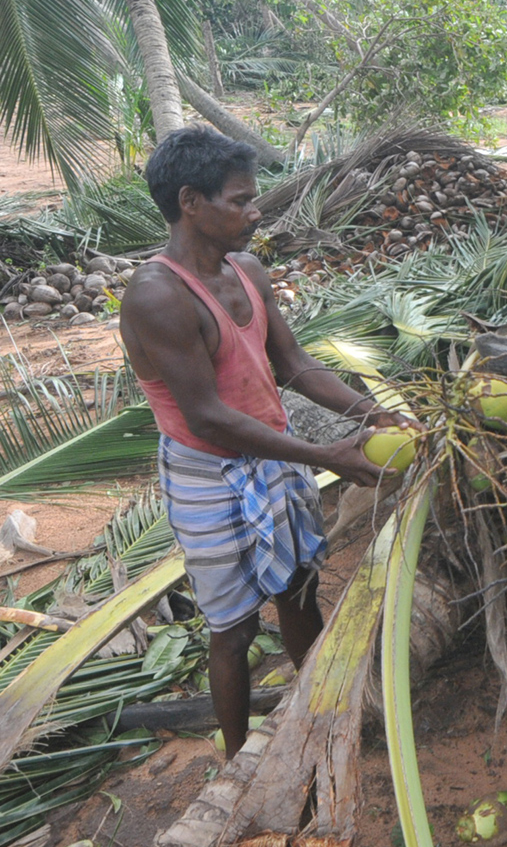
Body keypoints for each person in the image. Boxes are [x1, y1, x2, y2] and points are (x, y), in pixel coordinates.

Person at [120, 125, 416, 760]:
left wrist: (376, 412)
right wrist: (328, 456)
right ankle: (236, 760)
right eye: (240, 201)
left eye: (255, 198)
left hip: (275, 453)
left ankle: (322, 716)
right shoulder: (157, 295)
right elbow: (207, 419)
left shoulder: (246, 269)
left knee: (300, 588)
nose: (256, 212)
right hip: (210, 473)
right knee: (234, 629)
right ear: (191, 202)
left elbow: (297, 366)